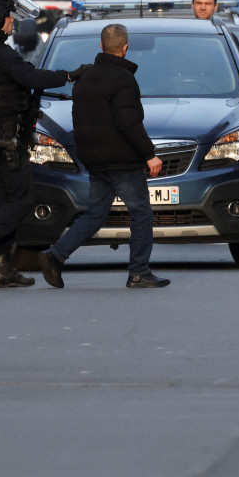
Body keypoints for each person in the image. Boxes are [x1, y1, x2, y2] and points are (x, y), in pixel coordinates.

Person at [0, 0, 79, 288]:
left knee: (1, 200)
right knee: (22, 199)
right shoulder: (2, 55)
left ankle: (3, 269)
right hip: (4, 136)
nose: (12, 22)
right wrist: (70, 76)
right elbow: (32, 78)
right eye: (9, 16)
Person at [38, 23, 167, 289]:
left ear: (101, 46)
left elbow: (79, 119)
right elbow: (128, 121)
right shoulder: (123, 79)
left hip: (95, 160)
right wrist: (149, 154)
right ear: (125, 48)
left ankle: (55, 255)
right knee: (141, 213)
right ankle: (139, 272)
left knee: (95, 214)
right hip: (123, 161)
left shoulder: (86, 78)